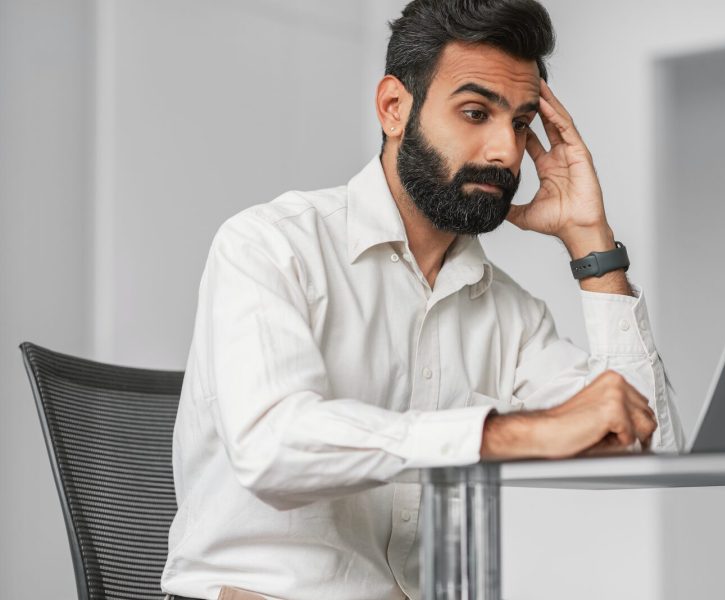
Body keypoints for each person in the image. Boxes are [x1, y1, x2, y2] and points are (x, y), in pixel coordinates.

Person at [161, 1, 684, 599]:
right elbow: (272, 445)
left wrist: (593, 245)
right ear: (393, 108)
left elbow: (654, 457)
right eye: (474, 112)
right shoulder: (270, 246)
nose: (505, 153)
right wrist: (505, 435)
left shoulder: (510, 313)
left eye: (519, 123)